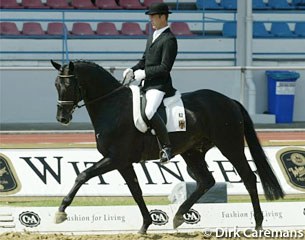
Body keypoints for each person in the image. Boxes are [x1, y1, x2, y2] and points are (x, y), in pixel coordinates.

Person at [123, 2, 178, 164]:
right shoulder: (153, 36)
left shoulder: (169, 40)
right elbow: (144, 60)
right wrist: (132, 70)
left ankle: (167, 148)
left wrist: (145, 73)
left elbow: (164, 68)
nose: (151, 20)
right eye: (150, 17)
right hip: (146, 84)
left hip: (159, 85)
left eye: (153, 17)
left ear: (163, 17)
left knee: (148, 112)